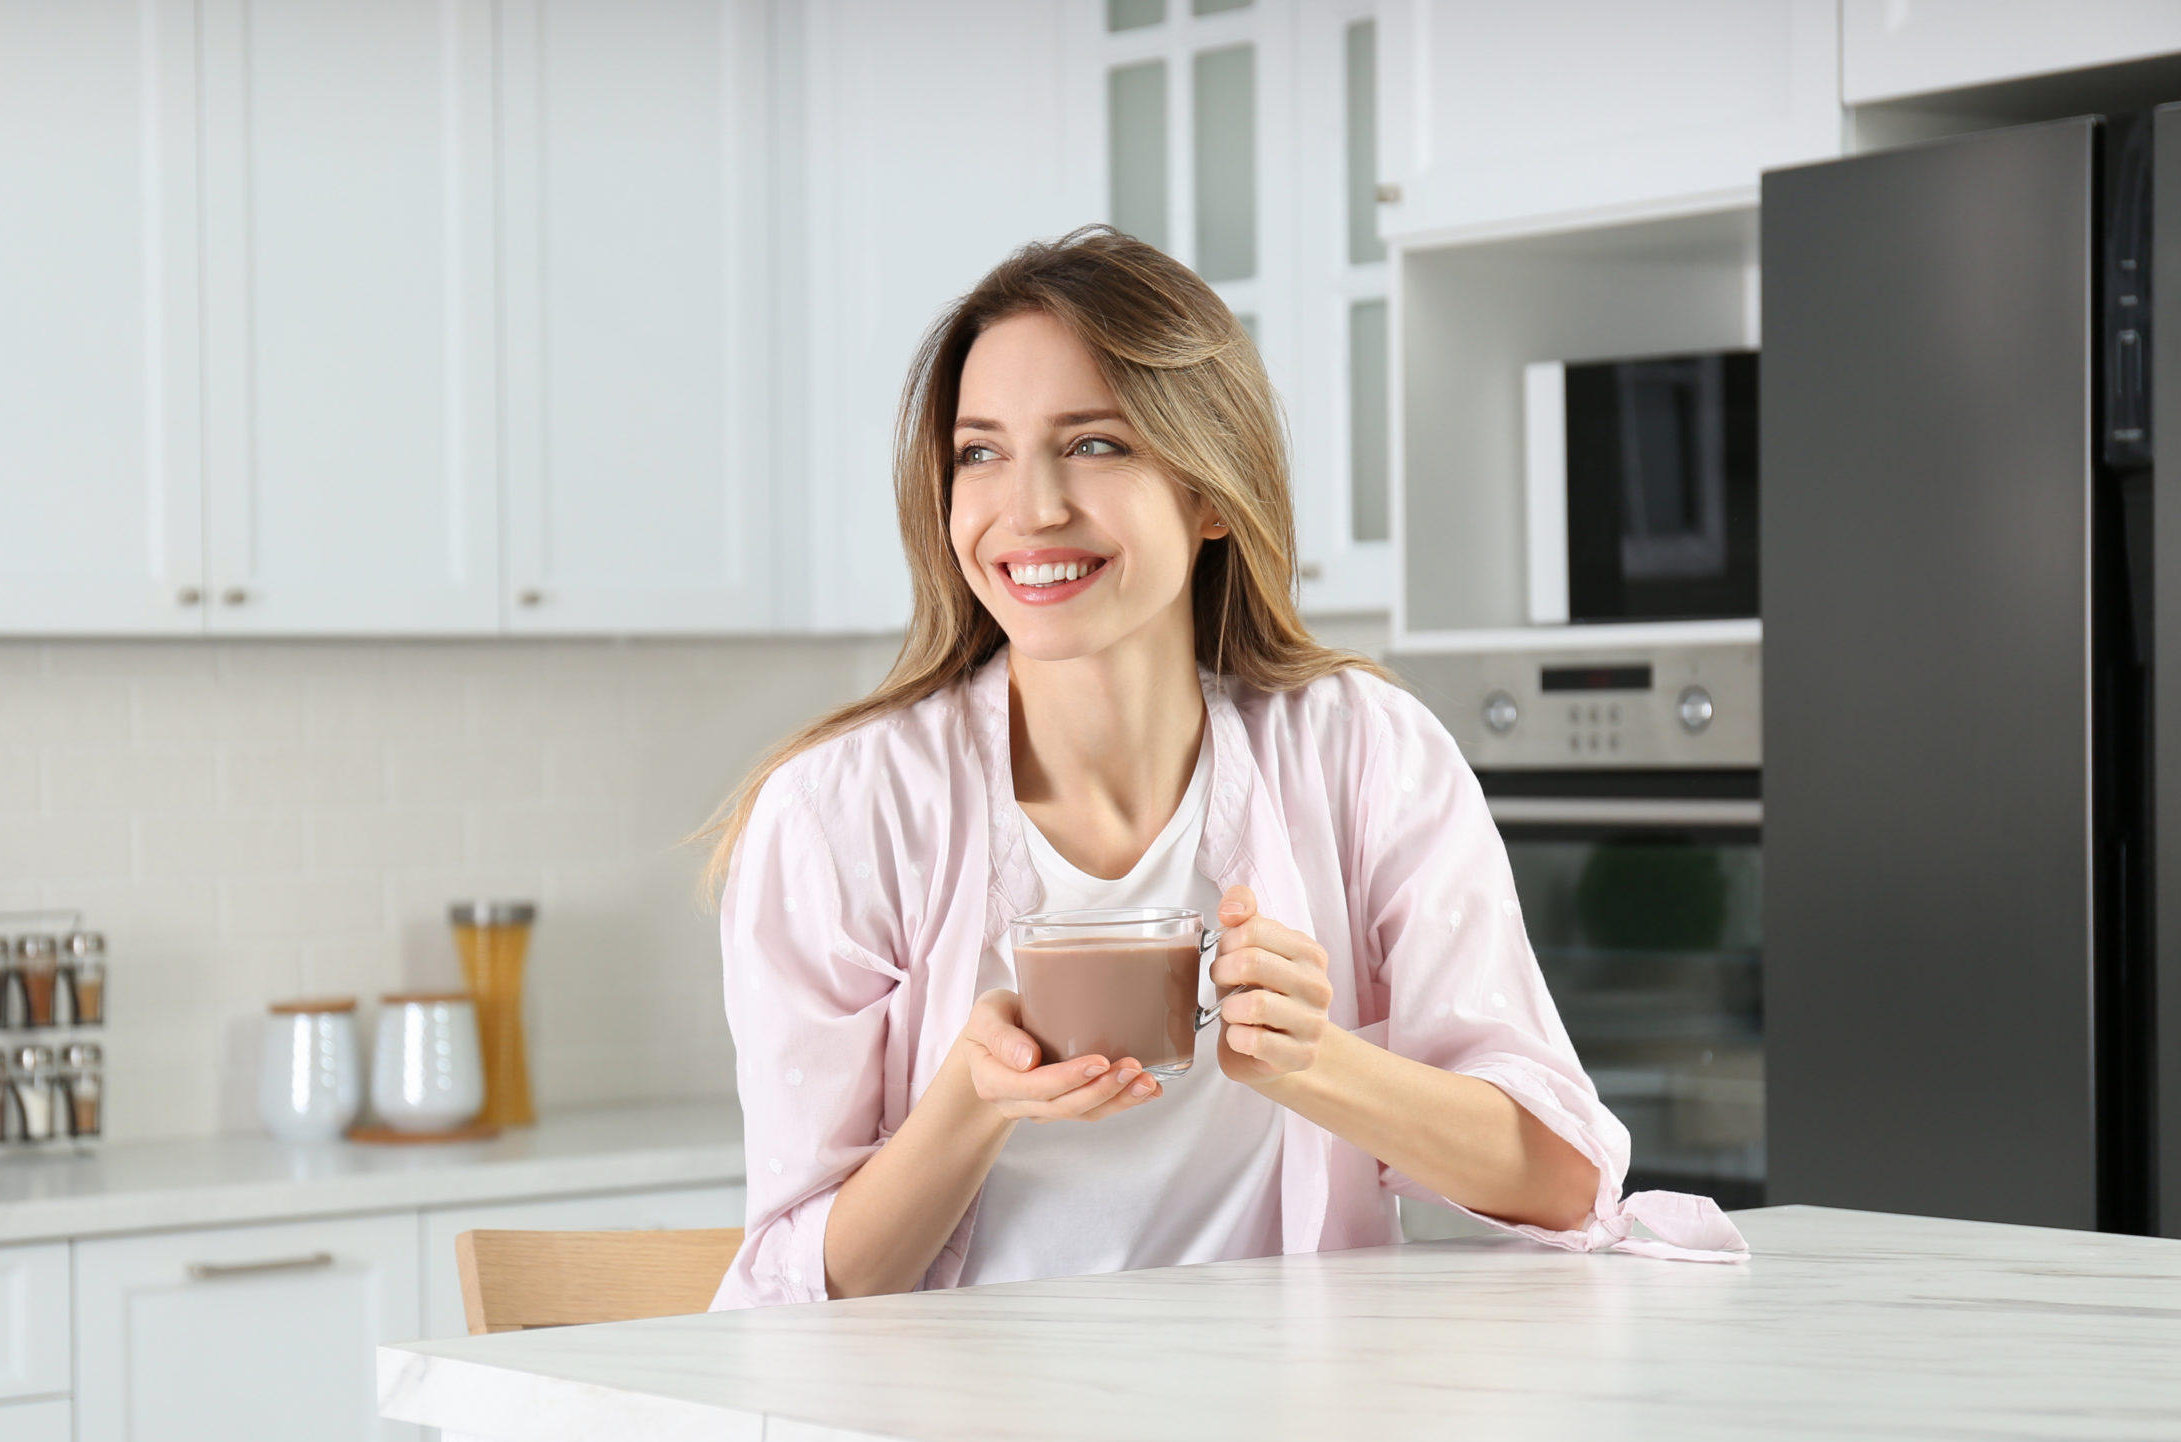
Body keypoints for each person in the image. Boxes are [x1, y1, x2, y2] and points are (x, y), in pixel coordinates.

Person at [703, 228, 1744, 1308]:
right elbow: (801, 1294)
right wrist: (971, 1101)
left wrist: (1318, 1063)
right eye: (980, 452)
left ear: (1210, 495)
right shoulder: (840, 816)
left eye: (1093, 444)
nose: (1030, 508)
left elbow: (1567, 1181)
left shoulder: (1362, 753)